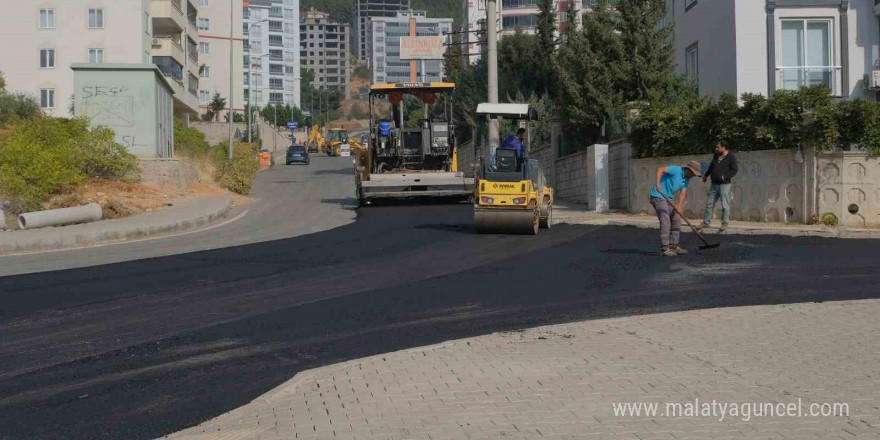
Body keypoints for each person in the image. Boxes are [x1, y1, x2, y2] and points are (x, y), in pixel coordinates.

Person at [650, 161, 702, 257]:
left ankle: (673, 246)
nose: (694, 176)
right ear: (688, 170)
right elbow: (660, 169)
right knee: (665, 221)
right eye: (693, 174)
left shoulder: (686, 179)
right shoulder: (676, 169)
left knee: (676, 219)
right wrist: (658, 184)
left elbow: (682, 192)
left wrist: (679, 206)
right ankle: (665, 249)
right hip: (657, 196)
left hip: (667, 199)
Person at [698, 140, 738, 232]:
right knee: (709, 203)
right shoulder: (716, 155)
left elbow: (735, 170)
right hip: (714, 184)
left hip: (725, 185)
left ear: (724, 148)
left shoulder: (731, 157)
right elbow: (712, 166)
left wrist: (726, 176)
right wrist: (706, 175)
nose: (716, 148)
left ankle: (724, 223)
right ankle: (706, 222)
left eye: (718, 147)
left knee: (725, 204)